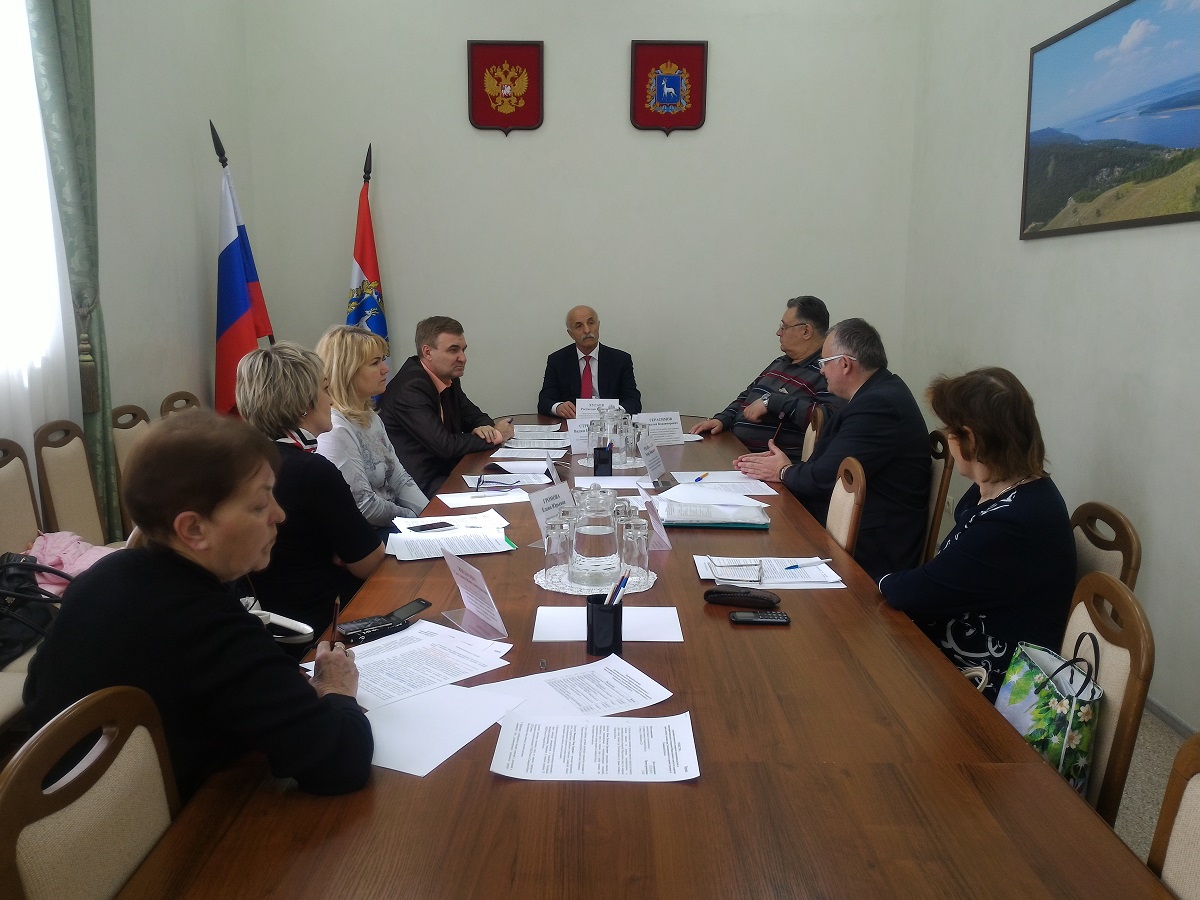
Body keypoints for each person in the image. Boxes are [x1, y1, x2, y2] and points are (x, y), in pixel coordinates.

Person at [22, 410, 373, 801]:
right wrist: (337, 689)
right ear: (193, 528)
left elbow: (36, 689)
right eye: (259, 505)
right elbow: (343, 762)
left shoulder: (101, 576)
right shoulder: (211, 626)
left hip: (53, 804)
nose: (279, 514)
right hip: (155, 827)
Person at [878, 368, 1076, 700]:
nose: (948, 440)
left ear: (971, 439)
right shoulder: (1005, 485)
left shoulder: (1013, 522)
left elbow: (919, 591)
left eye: (949, 431)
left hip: (992, 682)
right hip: (963, 642)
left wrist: (880, 580)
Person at [735, 318, 930, 580]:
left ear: (845, 364)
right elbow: (827, 466)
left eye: (824, 363)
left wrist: (783, 471)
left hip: (869, 547)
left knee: (755, 545)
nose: (822, 371)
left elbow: (825, 477)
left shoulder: (878, 405)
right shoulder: (877, 392)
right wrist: (785, 468)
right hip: (854, 525)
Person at [235, 342, 385, 641]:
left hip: (268, 623)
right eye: (325, 389)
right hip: (326, 624)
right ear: (303, 403)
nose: (331, 400)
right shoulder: (311, 470)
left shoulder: (239, 461)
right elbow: (369, 563)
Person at [379, 316, 515, 496]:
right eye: (453, 350)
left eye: (463, 350)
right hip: (420, 484)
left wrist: (485, 428)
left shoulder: (447, 377)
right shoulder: (409, 388)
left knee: (513, 485)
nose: (463, 358)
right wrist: (497, 435)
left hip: (450, 470)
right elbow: (445, 446)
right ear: (428, 352)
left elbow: (474, 415)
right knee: (504, 496)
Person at [691, 295, 842, 455]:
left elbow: (829, 420)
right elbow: (747, 395)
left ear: (806, 331)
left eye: (784, 327)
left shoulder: (827, 370)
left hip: (772, 462)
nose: (778, 333)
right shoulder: (780, 362)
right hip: (733, 447)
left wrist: (774, 401)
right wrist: (723, 419)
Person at [314, 324, 427, 528]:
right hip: (371, 533)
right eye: (375, 362)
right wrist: (414, 519)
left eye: (382, 360)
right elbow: (363, 506)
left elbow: (399, 478)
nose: (385, 368)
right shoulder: (335, 428)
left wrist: (432, 515)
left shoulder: (371, 416)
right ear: (347, 371)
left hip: (397, 522)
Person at [537, 305, 642, 418]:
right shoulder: (557, 360)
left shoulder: (620, 360)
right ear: (570, 334)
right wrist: (558, 407)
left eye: (591, 323)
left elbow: (633, 400)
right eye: (579, 326)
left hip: (609, 423)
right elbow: (544, 401)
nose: (587, 330)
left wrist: (615, 412)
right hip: (571, 423)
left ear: (598, 326)